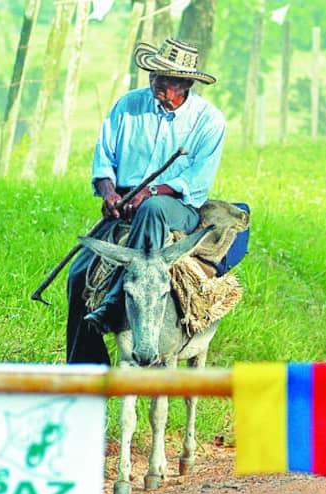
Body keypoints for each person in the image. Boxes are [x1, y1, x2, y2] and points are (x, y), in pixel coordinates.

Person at [66, 38, 226, 364]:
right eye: (154, 74)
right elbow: (103, 160)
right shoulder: (128, 105)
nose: (156, 82)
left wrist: (149, 193)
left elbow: (195, 184)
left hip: (174, 207)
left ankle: (113, 301)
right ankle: (85, 368)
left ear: (186, 83)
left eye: (166, 78)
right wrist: (109, 192)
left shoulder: (209, 121)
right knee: (78, 273)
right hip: (124, 205)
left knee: (153, 209)